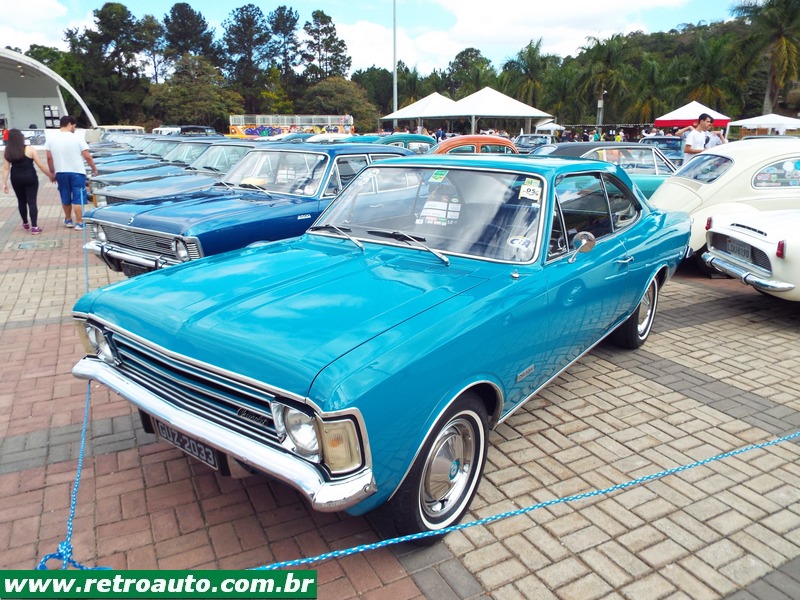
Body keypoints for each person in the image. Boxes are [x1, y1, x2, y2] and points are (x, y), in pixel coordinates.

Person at [45, 115, 98, 230]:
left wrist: (52, 173)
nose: (75, 129)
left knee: (65, 196)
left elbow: (49, 158)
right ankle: (79, 223)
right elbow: (87, 156)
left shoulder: (51, 139)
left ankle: (68, 219)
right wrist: (94, 169)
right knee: (78, 198)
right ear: (69, 124)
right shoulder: (77, 138)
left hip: (61, 172)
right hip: (77, 172)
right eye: (74, 126)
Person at [2, 128, 52, 234]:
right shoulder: (30, 149)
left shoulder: (8, 151)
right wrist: (51, 175)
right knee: (32, 202)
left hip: (16, 178)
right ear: (21, 137)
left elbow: (6, 168)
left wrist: (4, 183)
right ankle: (34, 227)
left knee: (21, 201)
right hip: (30, 178)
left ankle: (25, 223)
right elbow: (40, 165)